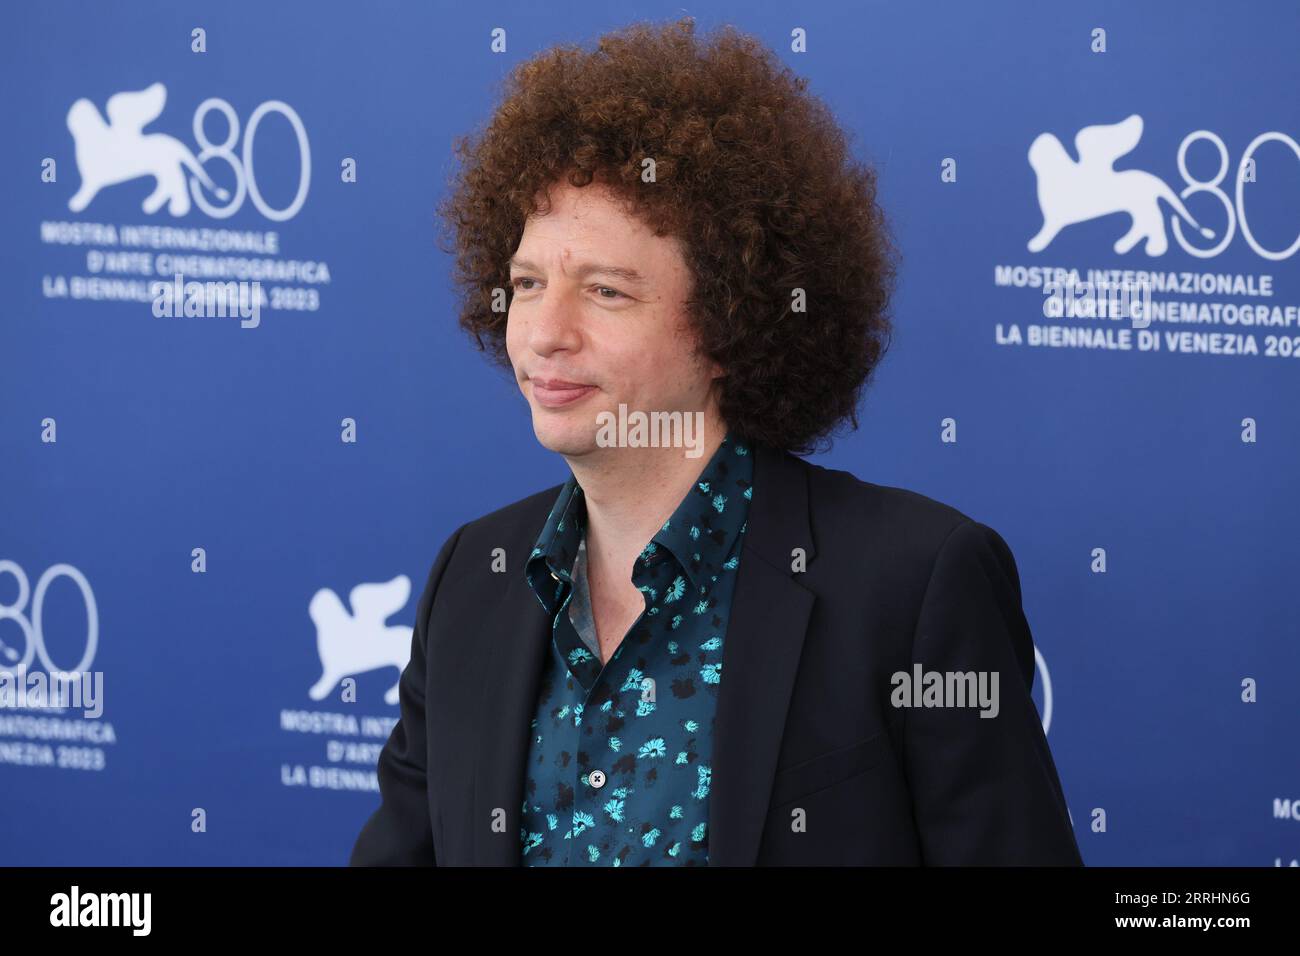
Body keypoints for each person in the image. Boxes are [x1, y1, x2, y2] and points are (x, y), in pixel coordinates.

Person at [350, 17, 1081, 866]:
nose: (545, 332)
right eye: (526, 283)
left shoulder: (913, 588)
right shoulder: (471, 582)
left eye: (608, 291)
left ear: (732, 321)